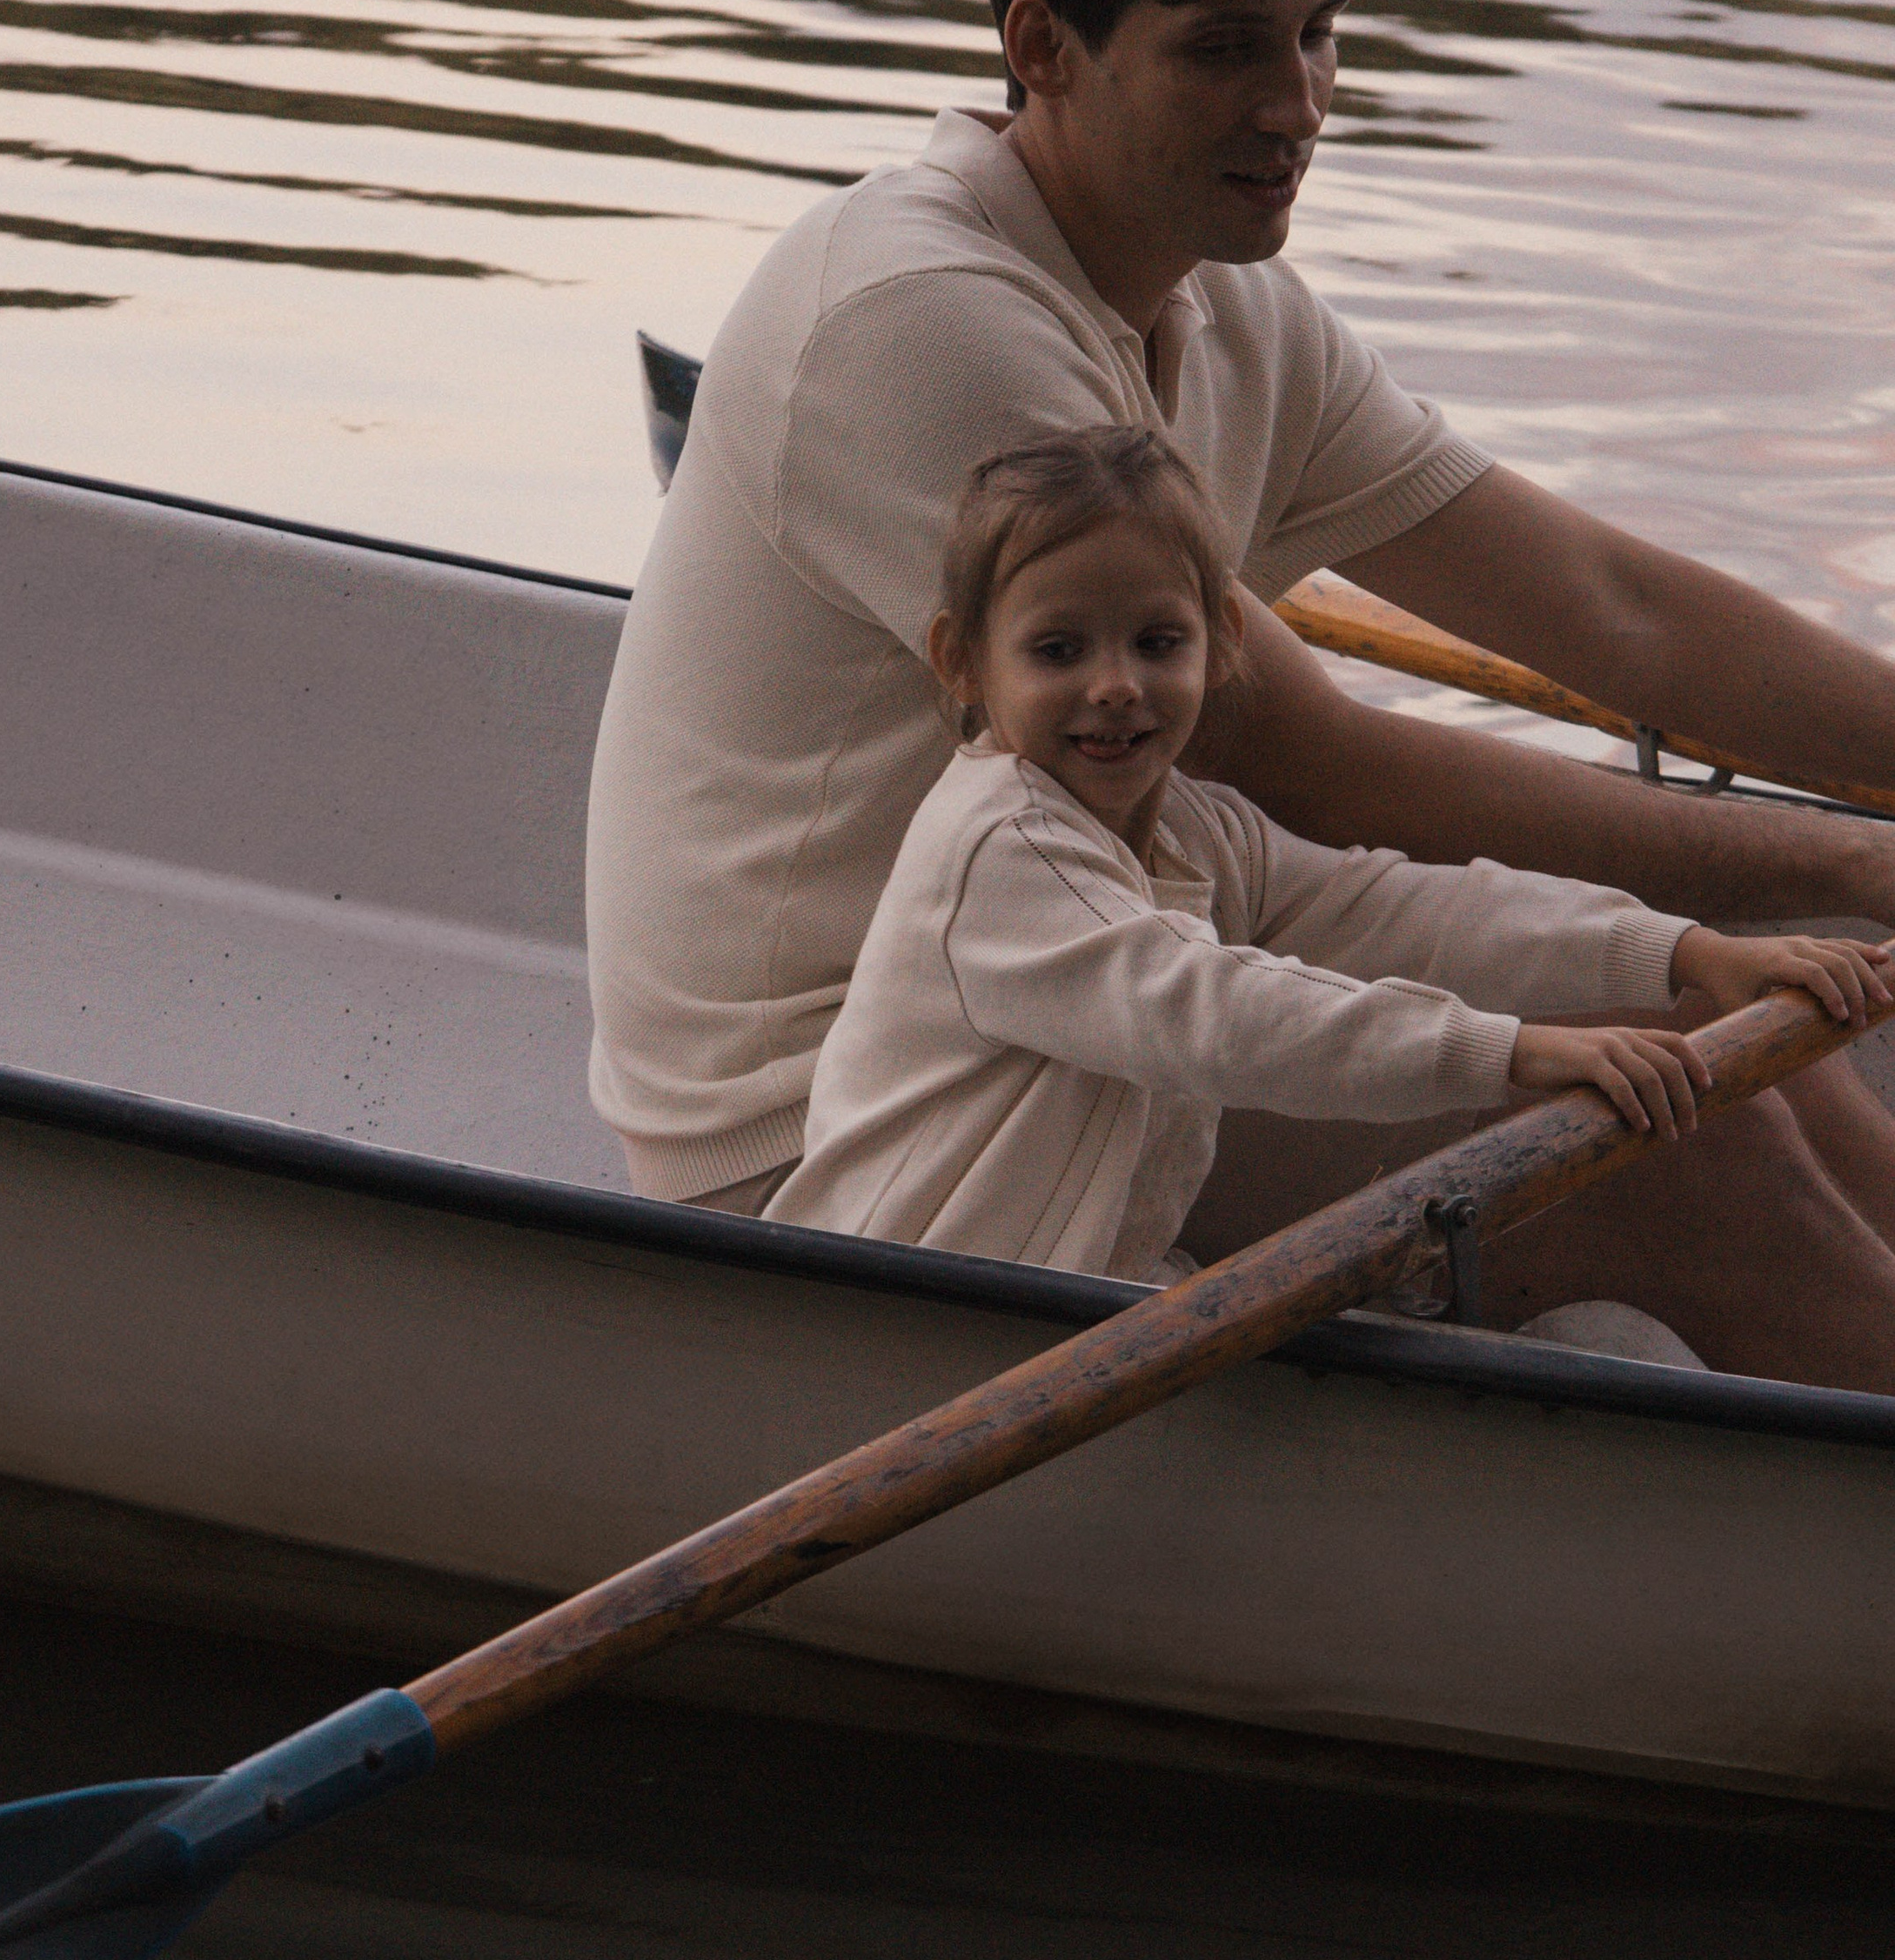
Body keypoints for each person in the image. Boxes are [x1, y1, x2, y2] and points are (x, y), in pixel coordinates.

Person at [586, 0, 1895, 1371]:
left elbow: (1621, 612)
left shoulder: (1221, 292)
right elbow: (1319, 768)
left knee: (1755, 1018)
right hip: (863, 1121)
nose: (1299, 106)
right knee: (1687, 1129)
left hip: (1126, 971)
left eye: (1321, 30)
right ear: (1041, 50)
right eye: (1223, 50)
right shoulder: (920, 324)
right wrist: (1847, 867)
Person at [767, 431, 1895, 1390]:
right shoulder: (1002, 848)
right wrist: (1513, 1054)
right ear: (962, 661)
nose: (1114, 682)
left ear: (1224, 644)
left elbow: (1412, 907)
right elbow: (1223, 1016)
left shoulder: (1190, 829)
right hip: (895, 1338)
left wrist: (1683, 953)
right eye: (1058, 648)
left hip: (1067, 1282)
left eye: (1157, 642)